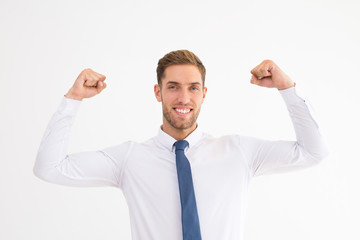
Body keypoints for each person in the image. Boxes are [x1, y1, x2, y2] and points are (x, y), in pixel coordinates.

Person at [34, 49, 328, 240]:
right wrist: (72, 100)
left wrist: (287, 88)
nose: (183, 98)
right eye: (173, 87)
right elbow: (50, 168)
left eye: (193, 88)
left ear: (204, 94)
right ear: (158, 92)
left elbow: (312, 152)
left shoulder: (239, 152)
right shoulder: (129, 159)